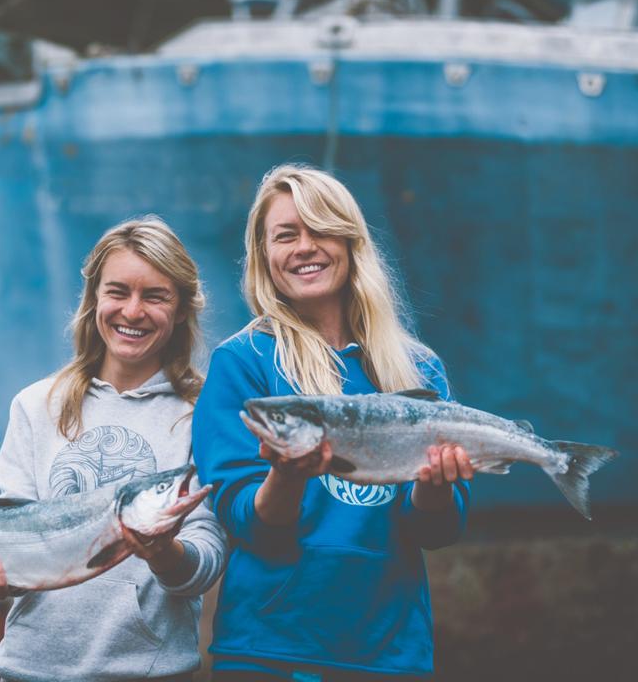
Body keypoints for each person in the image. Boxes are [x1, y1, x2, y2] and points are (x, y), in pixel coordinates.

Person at [193, 164, 473, 681]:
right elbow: (243, 520)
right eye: (286, 235)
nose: (304, 247)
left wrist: (436, 488)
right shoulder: (242, 361)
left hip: (389, 650)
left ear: (350, 243)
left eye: (320, 228)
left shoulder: (417, 369)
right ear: (265, 257)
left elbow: (439, 529)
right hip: (270, 649)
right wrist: (287, 474)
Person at [0, 216, 228, 682]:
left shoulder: (203, 413)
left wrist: (163, 552)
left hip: (149, 673)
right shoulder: (36, 406)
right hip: (30, 669)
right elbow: (14, 540)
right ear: (94, 299)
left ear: (181, 308)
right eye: (118, 291)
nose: (133, 311)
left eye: (155, 296)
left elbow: (206, 564)